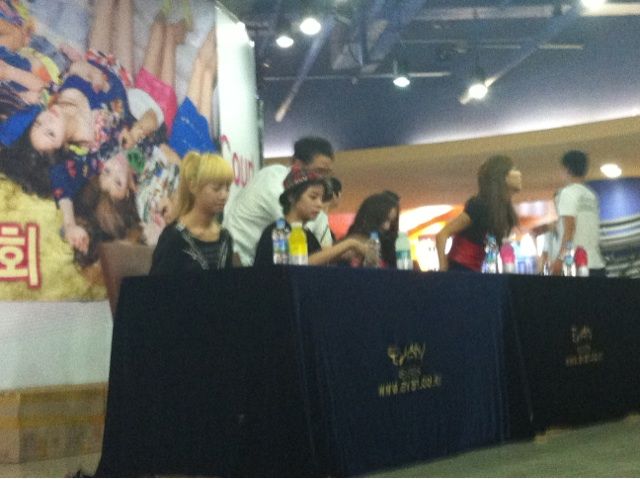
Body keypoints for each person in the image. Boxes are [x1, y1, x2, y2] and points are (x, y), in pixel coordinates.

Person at [224, 136, 335, 266]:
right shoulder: (275, 183)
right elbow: (299, 260)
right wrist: (347, 245)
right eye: (319, 171)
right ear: (297, 164)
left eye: (328, 173)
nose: (323, 178)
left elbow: (323, 243)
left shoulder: (304, 192)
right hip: (237, 259)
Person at [253, 166, 370, 267]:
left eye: (322, 199)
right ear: (291, 197)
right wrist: (349, 243)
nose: (319, 204)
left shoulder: (307, 234)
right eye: (313, 197)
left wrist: (348, 253)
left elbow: (317, 260)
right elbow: (296, 266)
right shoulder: (279, 230)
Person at [149, 151, 234, 274]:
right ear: (193, 186)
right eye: (216, 188)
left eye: (227, 189)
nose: (224, 195)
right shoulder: (174, 237)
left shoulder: (225, 237)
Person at [436, 155, 522, 272]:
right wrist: (443, 272)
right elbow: (442, 234)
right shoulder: (480, 205)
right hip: (459, 271)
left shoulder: (501, 209)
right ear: (504, 177)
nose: (520, 174)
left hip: (473, 272)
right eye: (515, 169)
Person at [550, 150, 605, 276]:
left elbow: (569, 230)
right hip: (596, 264)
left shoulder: (567, 193)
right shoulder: (591, 195)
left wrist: (560, 259)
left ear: (566, 169)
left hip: (576, 265)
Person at [345, 192, 400, 267]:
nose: (387, 227)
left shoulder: (390, 245)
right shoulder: (350, 244)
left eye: (392, 222)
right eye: (384, 219)